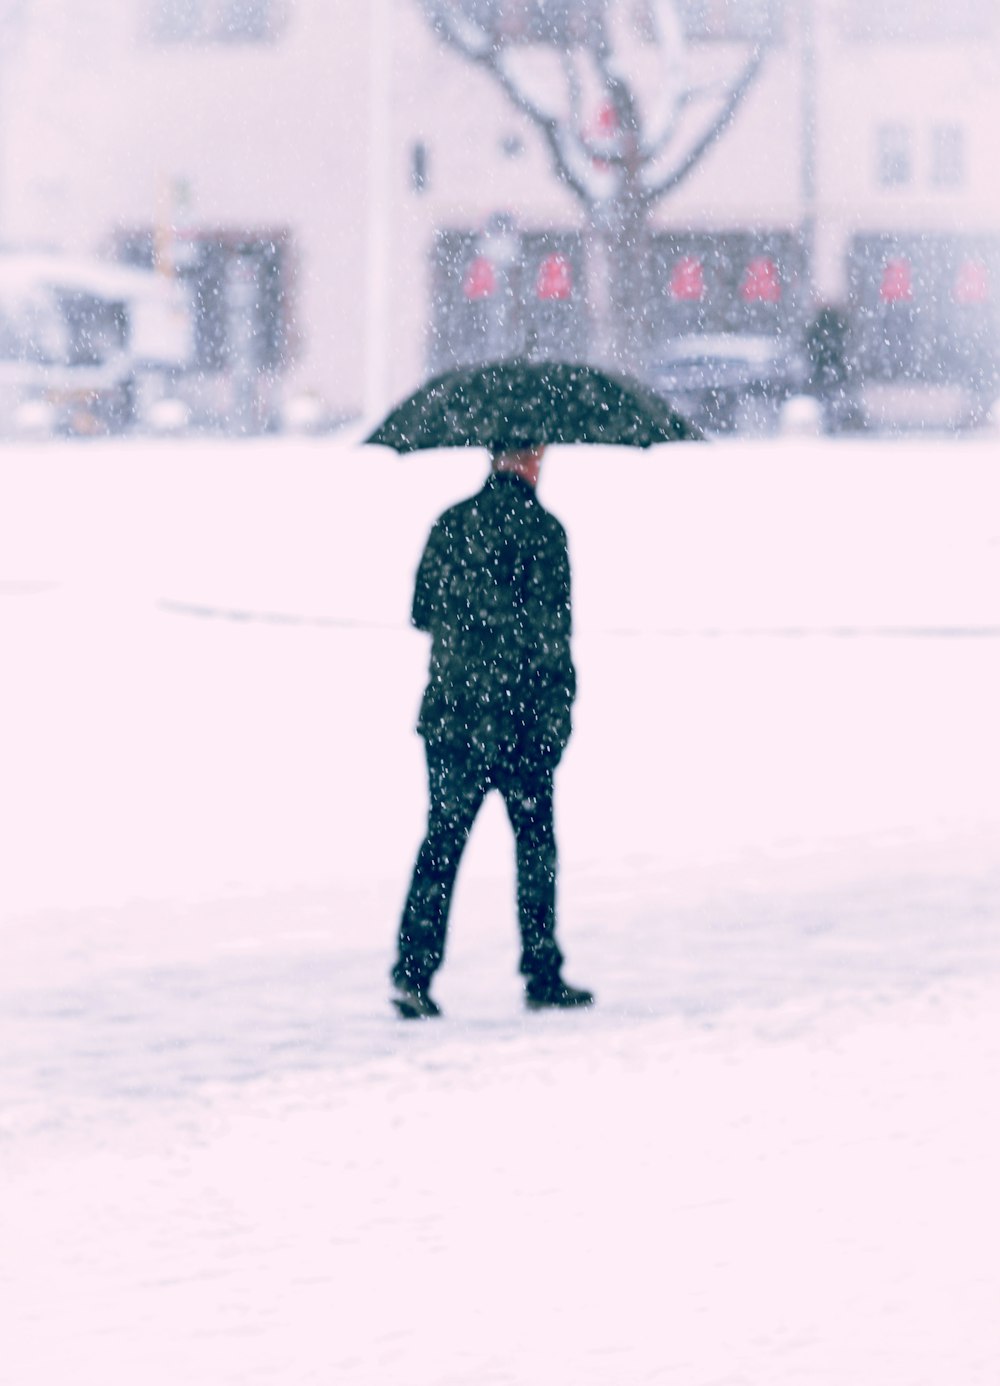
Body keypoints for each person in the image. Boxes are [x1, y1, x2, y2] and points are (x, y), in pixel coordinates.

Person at [391, 443, 594, 1019]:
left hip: (453, 717)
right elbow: (554, 635)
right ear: (535, 458)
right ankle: (541, 970)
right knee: (535, 848)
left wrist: (470, 621)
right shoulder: (545, 533)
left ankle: (413, 971)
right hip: (522, 719)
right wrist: (557, 715)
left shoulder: (451, 523)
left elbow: (420, 611)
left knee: (442, 844)